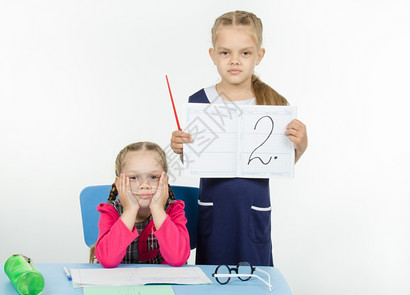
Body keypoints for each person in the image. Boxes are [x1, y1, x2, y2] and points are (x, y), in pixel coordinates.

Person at [170, 10, 308, 266]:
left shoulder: (274, 104)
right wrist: (181, 148)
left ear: (259, 55)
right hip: (215, 209)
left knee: (255, 280)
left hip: (253, 210)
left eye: (244, 53)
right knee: (213, 279)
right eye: (225, 53)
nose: (235, 61)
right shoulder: (199, 101)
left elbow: (281, 160)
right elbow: (193, 158)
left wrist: (300, 146)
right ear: (213, 55)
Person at [93, 142, 190, 268]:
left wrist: (157, 209)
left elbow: (178, 259)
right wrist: (130, 210)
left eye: (154, 177)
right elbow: (108, 260)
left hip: (163, 284)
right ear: (118, 183)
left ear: (165, 180)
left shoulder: (173, 210)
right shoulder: (111, 211)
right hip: (121, 285)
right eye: (133, 177)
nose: (144, 185)